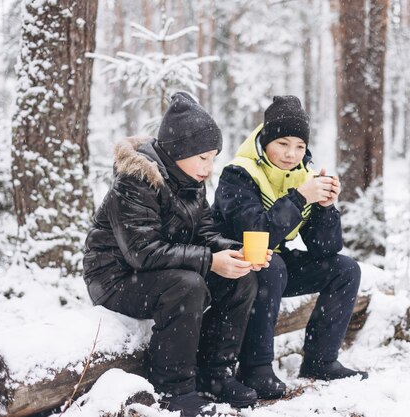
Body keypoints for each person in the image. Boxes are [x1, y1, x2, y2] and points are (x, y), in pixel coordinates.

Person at [83, 92, 270, 416]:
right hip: (115, 277)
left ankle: (215, 374)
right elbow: (141, 252)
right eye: (203, 158)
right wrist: (211, 261)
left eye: (213, 158)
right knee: (188, 286)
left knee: (241, 278)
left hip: (160, 270)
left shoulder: (190, 179)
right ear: (178, 150)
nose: (209, 168)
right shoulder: (136, 179)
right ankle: (173, 389)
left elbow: (205, 231)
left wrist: (233, 253)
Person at [212, 95, 368, 401]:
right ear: (266, 140)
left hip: (271, 267)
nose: (291, 154)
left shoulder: (304, 175)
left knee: (345, 269)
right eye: (283, 143)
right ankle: (255, 368)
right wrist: (299, 198)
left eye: (299, 146)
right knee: (272, 264)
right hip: (230, 267)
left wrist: (324, 207)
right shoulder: (238, 174)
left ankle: (321, 361)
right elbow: (254, 233)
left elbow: (326, 248)